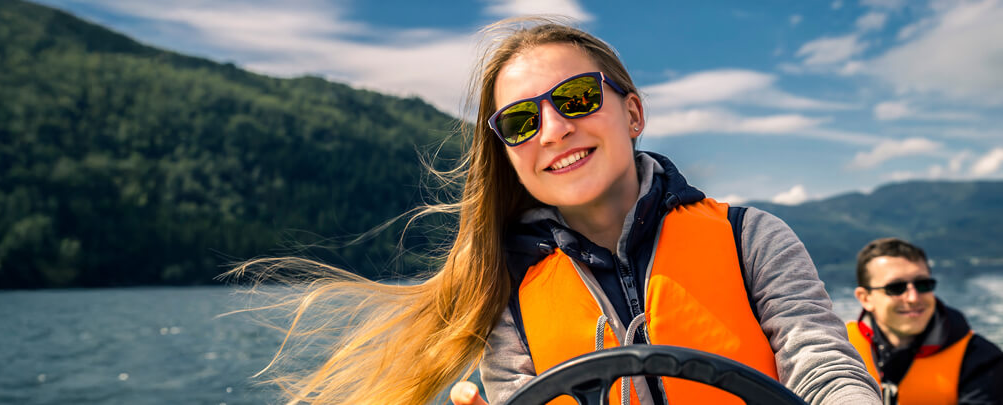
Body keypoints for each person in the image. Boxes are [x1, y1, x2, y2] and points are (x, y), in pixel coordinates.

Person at [239, 18, 880, 405]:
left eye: (575, 97)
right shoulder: (507, 288)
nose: (551, 129)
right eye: (519, 120)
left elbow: (820, 364)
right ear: (509, 153)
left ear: (632, 113)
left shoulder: (752, 238)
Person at [848, 238, 1003, 405]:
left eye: (922, 284)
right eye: (896, 288)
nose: (913, 298)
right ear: (865, 298)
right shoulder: (836, 347)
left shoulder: (980, 358)